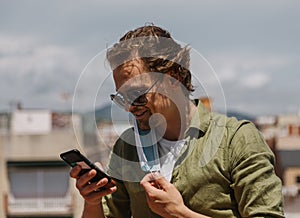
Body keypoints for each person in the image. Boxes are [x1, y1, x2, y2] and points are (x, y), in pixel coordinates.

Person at [70, 24, 285, 218]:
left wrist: (180, 213)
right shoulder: (127, 148)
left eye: (137, 94)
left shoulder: (236, 140)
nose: (129, 107)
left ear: (174, 79)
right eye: (122, 97)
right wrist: (93, 202)